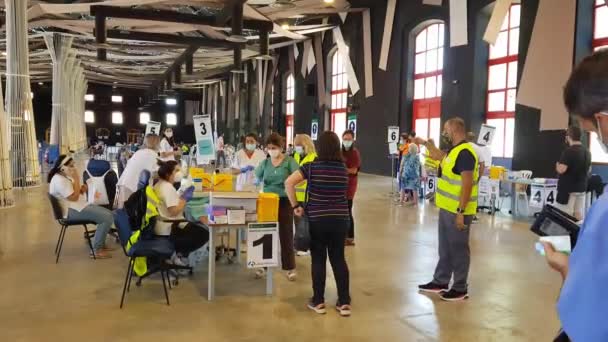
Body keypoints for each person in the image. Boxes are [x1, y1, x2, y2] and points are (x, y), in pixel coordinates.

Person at [540, 49, 608, 342]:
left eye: (592, 127)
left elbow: (594, 309)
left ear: (603, 120)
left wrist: (569, 269)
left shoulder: (569, 152)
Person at [285, 131, 351, 317]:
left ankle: (318, 301)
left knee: (319, 259)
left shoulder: (311, 167)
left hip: (317, 220)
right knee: (338, 259)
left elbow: (289, 183)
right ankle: (344, 302)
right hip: (340, 220)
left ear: (319, 147)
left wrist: (295, 206)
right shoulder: (343, 168)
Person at [415, 117, 479, 301]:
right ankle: (440, 281)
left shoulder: (465, 153)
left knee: (459, 249)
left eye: (446, 130)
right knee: (445, 248)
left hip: (458, 211)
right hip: (446, 208)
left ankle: (460, 287)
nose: (444, 133)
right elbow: (438, 156)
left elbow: (467, 185)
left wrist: (460, 212)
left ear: (454, 129)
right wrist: (425, 143)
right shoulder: (454, 151)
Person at [48, 155, 114, 259]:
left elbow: (74, 193)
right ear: (62, 168)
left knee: (107, 213)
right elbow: (74, 198)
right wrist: (77, 178)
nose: (74, 168)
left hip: (75, 207)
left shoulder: (63, 177)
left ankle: (98, 242)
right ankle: (96, 249)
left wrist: (83, 188)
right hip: (70, 212)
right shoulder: (59, 180)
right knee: (107, 216)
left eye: (73, 165)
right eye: (71, 166)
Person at [255, 133, 299, 281]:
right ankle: (263, 265)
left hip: (285, 201)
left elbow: (299, 178)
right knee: (265, 233)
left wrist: (291, 188)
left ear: (281, 148)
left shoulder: (289, 162)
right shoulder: (265, 163)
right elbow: (257, 177)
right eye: (269, 148)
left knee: (285, 234)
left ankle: (289, 267)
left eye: (274, 148)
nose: (271, 150)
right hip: (267, 201)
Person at [153, 160, 208, 266]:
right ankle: (179, 255)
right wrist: (184, 199)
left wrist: (182, 197)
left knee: (195, 223)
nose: (180, 173)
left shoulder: (160, 184)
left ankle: (179, 254)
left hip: (163, 222)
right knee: (204, 232)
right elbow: (173, 211)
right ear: (168, 174)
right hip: (169, 226)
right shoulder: (167, 187)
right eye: (176, 170)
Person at [554, 126, 591, 220]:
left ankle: (564, 235)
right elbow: (589, 169)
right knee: (578, 214)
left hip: (568, 190)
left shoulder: (569, 151)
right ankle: (578, 234)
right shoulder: (587, 151)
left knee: (564, 215)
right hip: (581, 188)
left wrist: (557, 165)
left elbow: (561, 170)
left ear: (568, 137)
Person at [116, 133, 160, 208]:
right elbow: (158, 174)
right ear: (157, 144)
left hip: (124, 184)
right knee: (133, 215)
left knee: (122, 212)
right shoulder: (154, 155)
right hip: (134, 188)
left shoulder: (138, 152)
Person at [293, 134, 318, 256]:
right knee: (298, 223)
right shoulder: (296, 156)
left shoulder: (314, 158)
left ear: (305, 145)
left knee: (307, 223)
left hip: (307, 196)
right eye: (295, 145)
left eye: (299, 145)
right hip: (295, 195)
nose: (297, 148)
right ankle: (299, 244)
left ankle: (307, 247)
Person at [342, 130, 361, 246]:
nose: (346, 141)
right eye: (345, 139)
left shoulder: (354, 153)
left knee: (347, 211)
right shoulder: (340, 151)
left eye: (349, 139)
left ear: (353, 140)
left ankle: (350, 237)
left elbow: (354, 170)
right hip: (340, 185)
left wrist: (341, 169)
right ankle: (343, 236)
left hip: (350, 186)